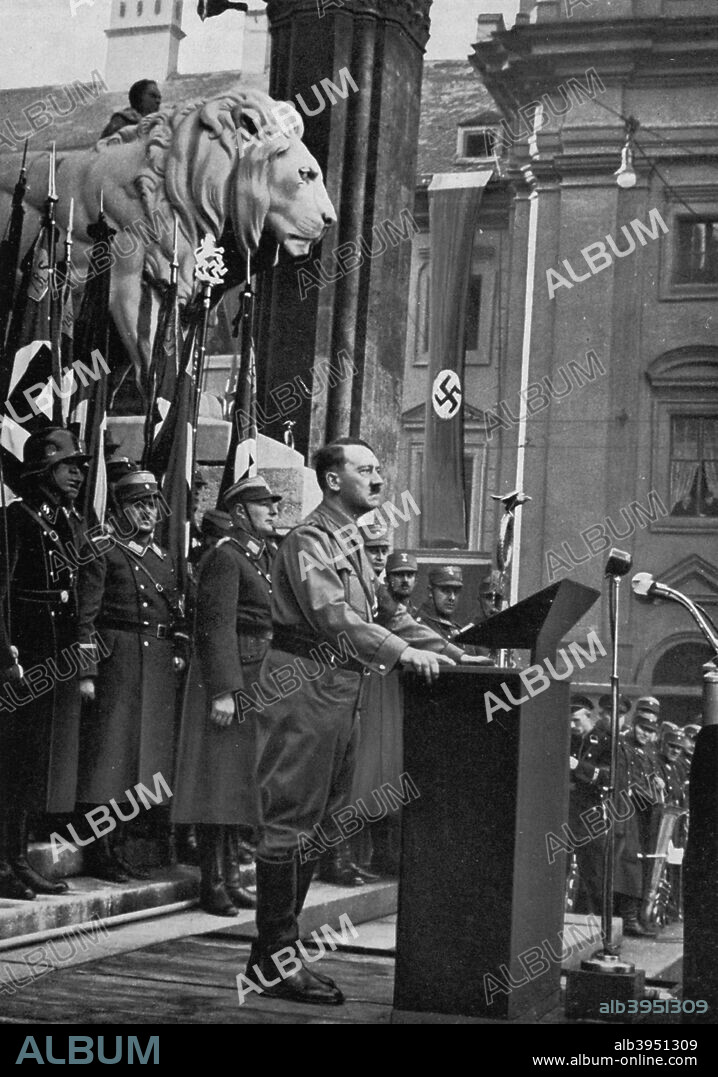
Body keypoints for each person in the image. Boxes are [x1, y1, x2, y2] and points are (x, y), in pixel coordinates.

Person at [245, 437, 458, 1006]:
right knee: (290, 819)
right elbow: (332, 615)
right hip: (305, 687)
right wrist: (402, 653)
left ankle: (276, 955)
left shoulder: (353, 544)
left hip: (341, 688)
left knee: (317, 824)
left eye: (379, 470)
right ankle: (274, 958)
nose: (379, 479)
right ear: (332, 479)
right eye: (366, 470)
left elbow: (390, 614)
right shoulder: (310, 539)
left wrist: (461, 655)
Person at [172, 476, 280, 915]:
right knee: (218, 780)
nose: (273, 511)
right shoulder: (226, 557)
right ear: (240, 512)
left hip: (258, 675)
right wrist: (224, 691)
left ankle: (233, 877)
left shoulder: (261, 556)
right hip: (232, 678)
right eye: (263, 505)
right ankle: (211, 882)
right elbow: (215, 627)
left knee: (241, 779)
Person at [75, 470, 188, 882]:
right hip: (116, 660)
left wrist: (177, 653)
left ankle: (125, 844)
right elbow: (85, 616)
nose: (149, 513)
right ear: (120, 509)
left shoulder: (162, 557)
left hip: (154, 663)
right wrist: (86, 671)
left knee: (143, 759)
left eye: (153, 504)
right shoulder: (102, 550)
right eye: (139, 505)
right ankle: (100, 850)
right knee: (109, 756)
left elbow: (176, 614)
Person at [0, 428, 90, 900]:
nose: (77, 473)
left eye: (79, 466)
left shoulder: (63, 522)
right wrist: (5, 658)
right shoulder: (15, 520)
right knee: (10, 762)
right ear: (42, 471)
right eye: (67, 465)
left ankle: (16, 859)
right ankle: (4, 862)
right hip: (23, 659)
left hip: (53, 658)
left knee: (31, 762)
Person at [614, 710, 666, 936]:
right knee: (629, 863)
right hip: (628, 811)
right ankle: (628, 919)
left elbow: (649, 777)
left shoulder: (649, 752)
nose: (646, 735)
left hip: (645, 814)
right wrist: (651, 795)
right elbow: (631, 783)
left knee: (642, 863)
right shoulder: (623, 746)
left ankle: (636, 916)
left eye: (651, 732)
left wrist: (658, 783)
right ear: (634, 725)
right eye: (643, 729)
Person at [568, 695, 606, 915]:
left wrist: (578, 766)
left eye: (577, 720)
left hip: (591, 814)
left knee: (593, 873)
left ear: (589, 717)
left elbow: (609, 778)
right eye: (570, 721)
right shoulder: (567, 739)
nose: (572, 726)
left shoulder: (605, 741)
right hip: (567, 811)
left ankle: (601, 927)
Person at [415, 564, 466, 642]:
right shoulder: (420, 626)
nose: (452, 598)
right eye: (446, 591)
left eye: (456, 592)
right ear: (430, 591)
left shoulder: (455, 628)